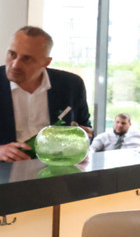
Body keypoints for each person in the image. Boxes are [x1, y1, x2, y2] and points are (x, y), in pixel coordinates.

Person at [2, 25, 92, 162]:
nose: (15, 65)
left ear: (46, 62)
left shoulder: (72, 85)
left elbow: (86, 130)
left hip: (56, 169)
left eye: (26, 59)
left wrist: (82, 136)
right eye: (12, 54)